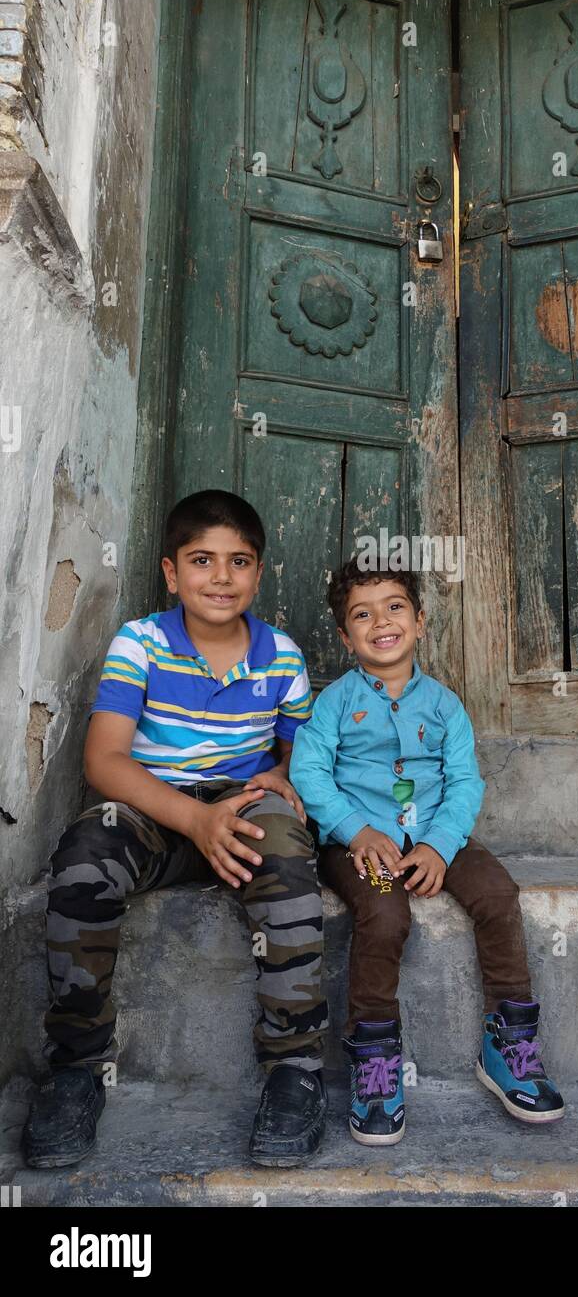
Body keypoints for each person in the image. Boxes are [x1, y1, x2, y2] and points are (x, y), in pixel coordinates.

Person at [22, 490, 328, 1170]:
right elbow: (103, 761)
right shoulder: (142, 642)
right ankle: (75, 1068)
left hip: (242, 806)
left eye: (238, 561)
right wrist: (193, 818)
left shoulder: (280, 656)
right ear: (170, 572)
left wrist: (288, 781)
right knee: (84, 853)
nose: (221, 577)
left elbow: (300, 751)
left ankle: (294, 1068)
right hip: (156, 811)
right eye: (201, 560)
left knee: (284, 847)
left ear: (258, 572)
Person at [290, 558, 564, 1145]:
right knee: (386, 914)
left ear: (419, 622)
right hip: (359, 843)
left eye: (394, 608)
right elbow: (309, 771)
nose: (380, 622)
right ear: (344, 636)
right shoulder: (334, 703)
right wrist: (353, 830)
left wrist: (441, 845)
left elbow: (465, 782)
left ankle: (508, 1041)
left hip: (439, 833)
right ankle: (375, 1057)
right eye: (361, 615)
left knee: (497, 892)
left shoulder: (444, 705)